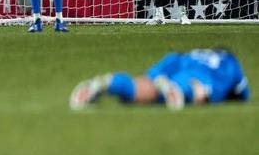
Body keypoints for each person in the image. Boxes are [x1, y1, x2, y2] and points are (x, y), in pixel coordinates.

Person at [70, 48, 250, 111]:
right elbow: (243, 94)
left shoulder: (197, 53)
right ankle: (176, 90)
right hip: (198, 75)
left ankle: (106, 83)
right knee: (198, 90)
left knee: (140, 87)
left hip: (177, 59)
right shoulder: (230, 62)